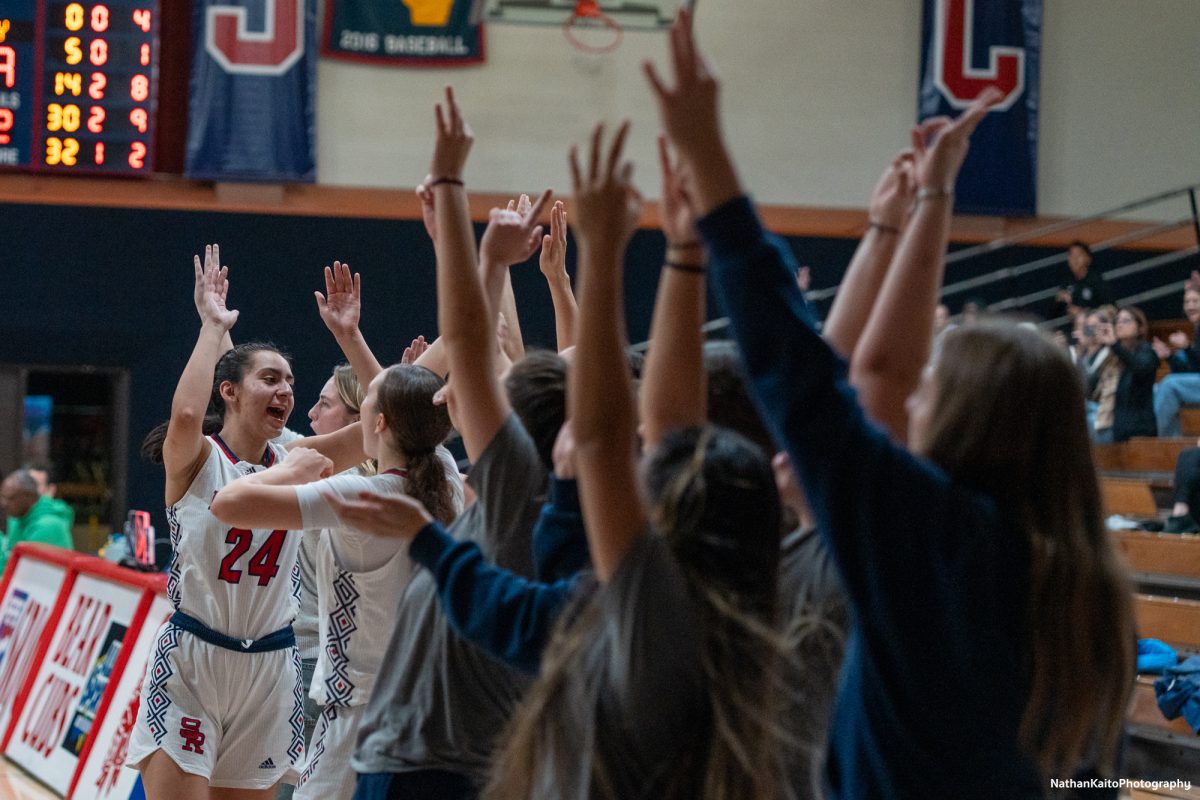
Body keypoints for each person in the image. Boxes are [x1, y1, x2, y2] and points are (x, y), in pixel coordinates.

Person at [646, 10, 1135, 797]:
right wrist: (933, 193)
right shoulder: (1089, 585)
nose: (913, 398)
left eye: (932, 386)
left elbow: (809, 374)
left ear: (971, 418)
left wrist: (710, 163)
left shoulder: (932, 538)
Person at [348, 87, 567, 800]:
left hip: (441, 771)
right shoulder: (513, 489)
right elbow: (498, 349)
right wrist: (489, 261)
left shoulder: (520, 490)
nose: (456, 397)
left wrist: (452, 195)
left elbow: (480, 351)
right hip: (414, 759)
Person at [126, 245, 364, 800]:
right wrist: (213, 325)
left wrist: (354, 337)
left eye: (290, 381)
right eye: (269, 378)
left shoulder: (297, 458)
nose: (285, 389)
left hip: (271, 667)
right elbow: (186, 412)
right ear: (228, 392)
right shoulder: (197, 458)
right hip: (194, 657)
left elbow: (378, 427)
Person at [211, 363, 464, 800]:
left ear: (379, 422)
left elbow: (227, 503)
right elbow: (413, 408)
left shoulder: (358, 495)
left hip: (358, 705)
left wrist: (291, 471)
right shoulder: (444, 476)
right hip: (429, 700)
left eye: (367, 400)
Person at [1097, 306, 1157, 442]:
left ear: (1140, 328)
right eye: (1117, 321)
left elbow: (1140, 368)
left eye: (1126, 321)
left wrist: (1114, 345)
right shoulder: (1117, 356)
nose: (1119, 324)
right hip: (1120, 428)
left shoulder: (1147, 351)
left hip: (1140, 432)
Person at [0, 468, 74, 574]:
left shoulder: (48, 525)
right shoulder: (16, 518)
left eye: (10, 499)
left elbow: (23, 573)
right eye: (2, 497)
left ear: (28, 497)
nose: (4, 504)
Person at [1153, 277, 1200, 436]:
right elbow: (1190, 371)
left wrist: (1187, 347)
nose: (1190, 306)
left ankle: (1151, 438)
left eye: (1195, 301)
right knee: (1156, 389)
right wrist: (1169, 356)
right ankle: (1171, 446)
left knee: (1169, 385)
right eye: (1187, 302)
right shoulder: (1196, 330)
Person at [1056, 240, 1111, 317]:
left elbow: (1111, 309)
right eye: (1071, 255)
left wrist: (1082, 313)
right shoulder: (1066, 281)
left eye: (1078, 255)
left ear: (1088, 259)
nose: (1074, 259)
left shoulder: (1097, 281)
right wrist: (1059, 298)